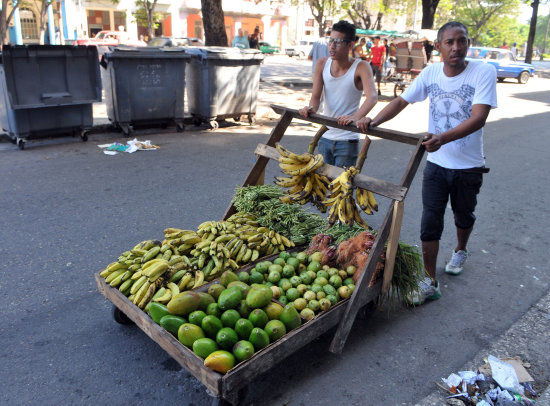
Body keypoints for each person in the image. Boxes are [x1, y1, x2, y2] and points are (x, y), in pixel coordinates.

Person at [363, 21, 497, 305]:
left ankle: (461, 248)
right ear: (438, 46)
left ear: (468, 44)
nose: (456, 48)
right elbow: (401, 101)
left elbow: (479, 117)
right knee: (430, 222)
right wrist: (373, 122)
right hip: (436, 164)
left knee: (463, 216)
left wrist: (443, 138)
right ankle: (429, 280)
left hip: (468, 166)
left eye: (461, 41)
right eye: (449, 42)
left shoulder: (483, 72)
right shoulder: (431, 72)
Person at [298, 20, 378, 168]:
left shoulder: (361, 67)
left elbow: (372, 97)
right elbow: (316, 97)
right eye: (330, 41)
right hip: (325, 136)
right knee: (322, 186)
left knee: (341, 189)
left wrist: (354, 118)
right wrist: (310, 109)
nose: (332, 46)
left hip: (347, 139)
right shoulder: (322, 64)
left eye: (338, 42)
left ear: (350, 44)